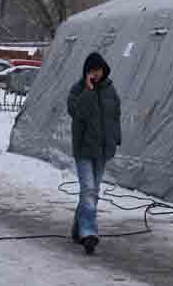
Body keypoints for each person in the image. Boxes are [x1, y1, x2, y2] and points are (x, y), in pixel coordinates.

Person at [67, 52, 121, 255]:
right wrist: (88, 91)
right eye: (91, 71)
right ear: (86, 72)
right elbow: (77, 112)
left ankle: (78, 229)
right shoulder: (78, 89)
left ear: (103, 69)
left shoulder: (110, 90)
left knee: (92, 192)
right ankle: (89, 233)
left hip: (103, 150)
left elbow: (115, 115)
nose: (95, 74)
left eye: (98, 70)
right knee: (89, 189)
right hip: (83, 149)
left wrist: (116, 137)